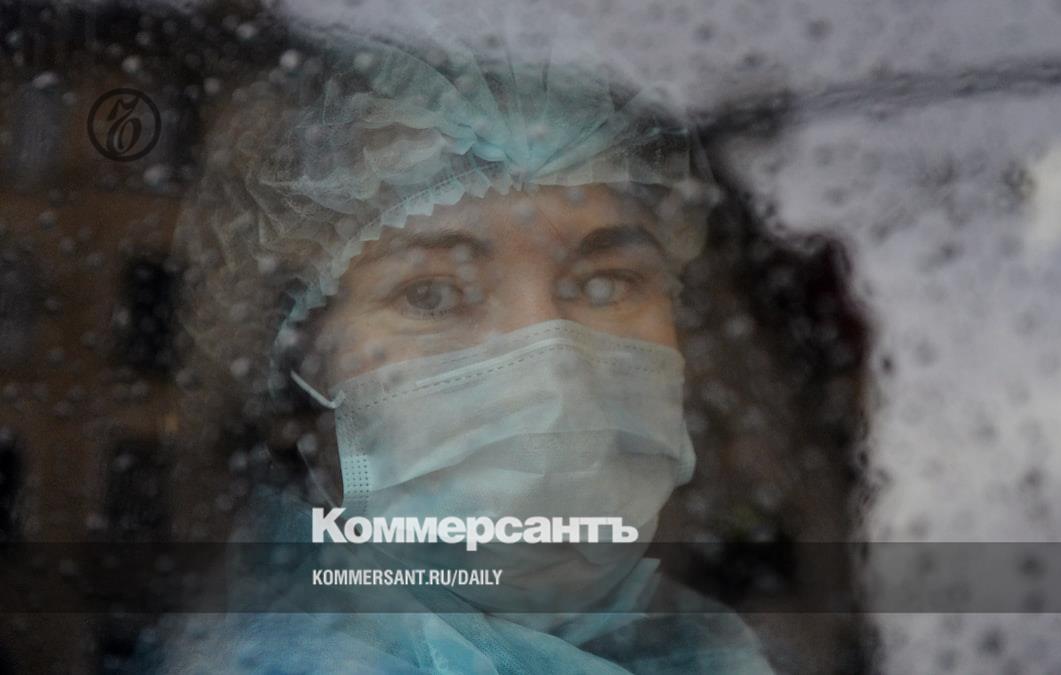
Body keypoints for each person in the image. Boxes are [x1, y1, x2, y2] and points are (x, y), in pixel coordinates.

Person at [149, 21, 785, 674]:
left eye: (605, 283)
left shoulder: (707, 652)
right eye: (432, 295)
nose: (555, 370)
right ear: (300, 368)